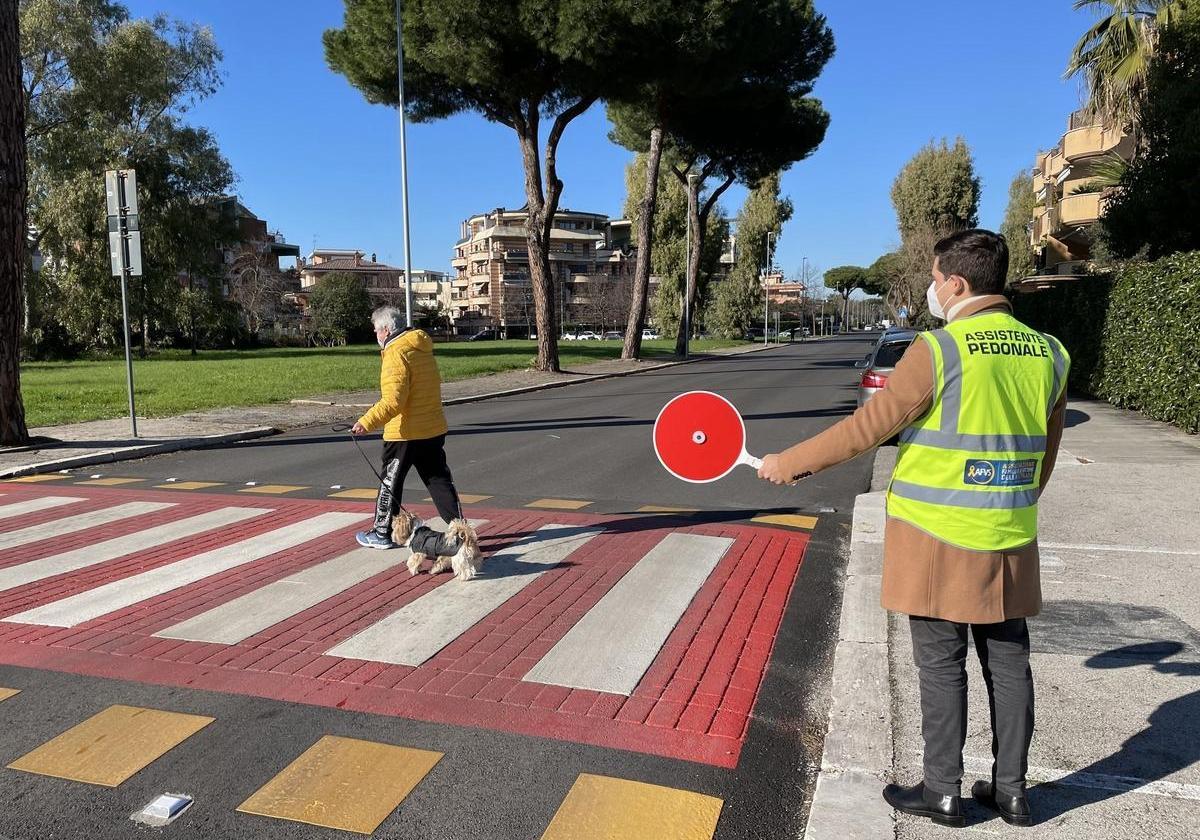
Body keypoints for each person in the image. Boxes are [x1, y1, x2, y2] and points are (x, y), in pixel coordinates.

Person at [758, 229, 1069, 828]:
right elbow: (1045, 455)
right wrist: (1011, 502)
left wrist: (787, 463)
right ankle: (1012, 791)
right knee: (1008, 662)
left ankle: (943, 791)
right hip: (1009, 532)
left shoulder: (940, 350)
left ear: (955, 283)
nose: (931, 288)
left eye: (933, 278)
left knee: (941, 663)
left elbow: (867, 428)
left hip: (937, 534)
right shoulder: (1050, 353)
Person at [352, 306, 463, 552]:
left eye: (376, 331)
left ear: (386, 330)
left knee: (390, 482)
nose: (375, 336)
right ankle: (460, 528)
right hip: (432, 427)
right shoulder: (421, 348)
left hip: (403, 432)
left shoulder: (395, 352)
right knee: (438, 479)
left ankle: (381, 532)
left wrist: (366, 421)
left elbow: (394, 401)